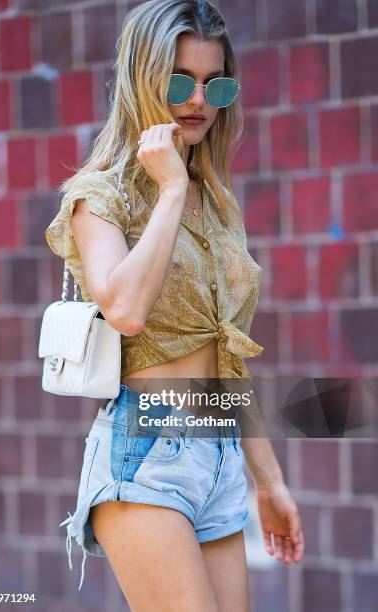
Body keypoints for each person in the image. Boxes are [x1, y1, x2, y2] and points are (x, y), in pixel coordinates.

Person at [45, 1, 305, 609]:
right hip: (145, 453)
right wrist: (168, 190)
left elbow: (228, 358)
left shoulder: (216, 205)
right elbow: (126, 310)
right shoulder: (99, 196)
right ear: (143, 79)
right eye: (180, 82)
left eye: (216, 84)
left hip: (218, 453)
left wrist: (270, 480)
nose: (198, 101)